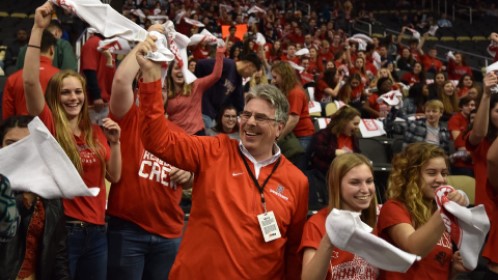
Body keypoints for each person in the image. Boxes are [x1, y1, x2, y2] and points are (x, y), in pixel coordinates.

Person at [135, 35, 309, 279]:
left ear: (279, 127)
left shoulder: (297, 181)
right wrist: (152, 78)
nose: (249, 123)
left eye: (260, 118)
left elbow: (292, 253)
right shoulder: (214, 150)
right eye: (246, 115)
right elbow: (157, 140)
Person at [22, 3, 122, 279]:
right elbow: (30, 84)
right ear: (55, 97)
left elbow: (114, 175)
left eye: (78, 91)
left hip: (98, 232)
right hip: (65, 232)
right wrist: (37, 29)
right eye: (65, 93)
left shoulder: (96, 131)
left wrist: (115, 143)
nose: (74, 97)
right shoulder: (50, 125)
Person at [107, 27, 192, 280]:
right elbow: (121, 81)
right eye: (149, 85)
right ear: (139, 91)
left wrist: (189, 177)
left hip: (170, 232)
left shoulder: (180, 133)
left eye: (162, 89)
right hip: (129, 230)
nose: (157, 91)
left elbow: (195, 176)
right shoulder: (128, 117)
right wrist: (150, 39)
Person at [377, 142, 468, 279]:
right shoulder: (394, 207)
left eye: (444, 173)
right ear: (411, 175)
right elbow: (414, 248)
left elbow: (435, 269)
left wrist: (454, 269)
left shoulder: (436, 210)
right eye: (431, 173)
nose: (441, 179)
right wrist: (445, 210)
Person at [0, 115, 70, 280]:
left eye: (27, 146)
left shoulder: (49, 192)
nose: (19, 151)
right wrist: (23, 200)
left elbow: (58, 251)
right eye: (11, 144)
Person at [300, 153, 378, 280]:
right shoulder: (317, 224)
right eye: (355, 182)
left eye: (369, 181)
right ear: (337, 186)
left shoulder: (376, 221)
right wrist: (329, 240)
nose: (365, 189)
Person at [466, 72, 498, 277]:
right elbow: (478, 133)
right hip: (485, 218)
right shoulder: (483, 142)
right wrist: (486, 95)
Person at [164, 44, 225, 135]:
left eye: (182, 69)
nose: (180, 72)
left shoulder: (196, 85)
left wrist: (219, 53)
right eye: (177, 68)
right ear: (170, 72)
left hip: (197, 136)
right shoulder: (165, 91)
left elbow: (216, 75)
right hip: (176, 138)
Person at [2, 30, 59, 120]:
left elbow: (8, 118)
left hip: (22, 132)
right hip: (55, 132)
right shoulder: (64, 77)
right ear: (52, 49)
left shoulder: (12, 79)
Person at [197, 51, 261, 129]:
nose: (251, 75)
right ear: (249, 65)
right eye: (253, 71)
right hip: (202, 109)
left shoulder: (238, 80)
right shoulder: (227, 64)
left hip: (213, 114)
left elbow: (239, 104)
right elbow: (200, 65)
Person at [271, 61, 315, 151]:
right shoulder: (287, 89)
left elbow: (293, 119)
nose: (273, 80)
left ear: (284, 75)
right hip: (295, 134)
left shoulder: (295, 92)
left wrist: (278, 137)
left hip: (302, 136)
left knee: (299, 164)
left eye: (275, 77)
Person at [308, 106, 361, 175]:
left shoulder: (354, 137)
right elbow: (319, 151)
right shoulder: (324, 134)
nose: (357, 127)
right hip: (325, 174)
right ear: (343, 122)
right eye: (355, 124)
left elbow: (357, 154)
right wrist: (335, 152)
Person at [80, 32, 117, 121]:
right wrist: (96, 96)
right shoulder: (93, 43)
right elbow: (89, 70)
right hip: (94, 103)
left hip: (105, 101)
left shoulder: (109, 44)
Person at [448, 95, 476, 176]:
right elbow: (460, 146)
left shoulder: (472, 120)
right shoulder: (456, 119)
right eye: (467, 105)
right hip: (462, 163)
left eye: (472, 105)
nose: (470, 107)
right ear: (461, 107)